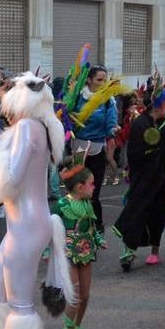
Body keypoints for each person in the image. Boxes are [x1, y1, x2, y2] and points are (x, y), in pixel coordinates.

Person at [0, 73, 74, 329]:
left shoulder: (25, 129)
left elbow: (10, 179)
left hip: (27, 225)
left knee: (20, 304)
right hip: (27, 223)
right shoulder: (40, 128)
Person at [114, 88, 165, 271]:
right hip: (143, 177)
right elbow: (134, 153)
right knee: (137, 210)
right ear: (158, 104)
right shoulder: (140, 123)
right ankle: (128, 252)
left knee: (157, 212)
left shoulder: (163, 123)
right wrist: (152, 152)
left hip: (161, 175)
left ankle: (155, 250)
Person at [56, 162, 103, 329]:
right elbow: (48, 230)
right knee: (74, 297)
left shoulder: (87, 204)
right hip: (68, 255)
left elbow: (93, 227)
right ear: (79, 186)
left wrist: (99, 240)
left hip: (86, 254)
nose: (95, 187)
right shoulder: (61, 205)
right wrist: (47, 251)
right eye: (92, 184)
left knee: (85, 296)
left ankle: (76, 327)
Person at [69, 65, 120, 232]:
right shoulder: (77, 97)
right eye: (99, 79)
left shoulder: (108, 101)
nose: (102, 83)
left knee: (93, 193)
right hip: (78, 150)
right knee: (77, 190)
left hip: (97, 150)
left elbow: (110, 124)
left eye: (104, 80)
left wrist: (113, 130)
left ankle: (97, 226)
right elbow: (67, 117)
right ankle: (76, 224)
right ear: (89, 80)